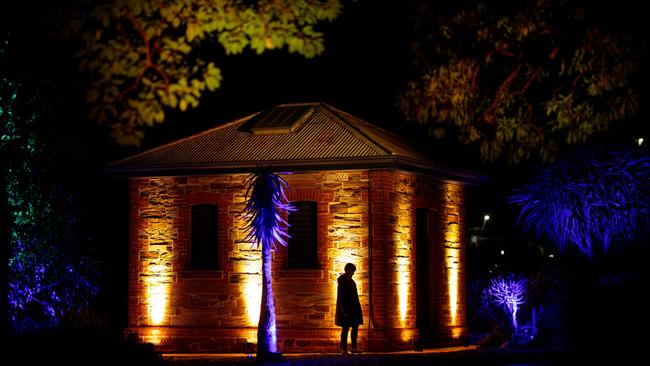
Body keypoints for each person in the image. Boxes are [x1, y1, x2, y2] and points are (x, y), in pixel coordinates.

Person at [335, 262, 363, 355]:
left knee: (355, 327)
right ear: (348, 270)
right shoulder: (343, 281)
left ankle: (354, 347)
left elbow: (354, 296)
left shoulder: (351, 281)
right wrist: (345, 310)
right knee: (345, 328)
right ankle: (344, 348)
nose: (353, 273)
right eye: (352, 271)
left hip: (354, 309)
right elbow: (342, 297)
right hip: (347, 310)